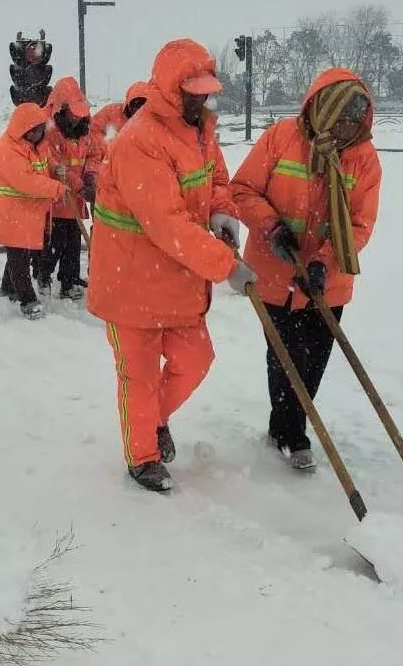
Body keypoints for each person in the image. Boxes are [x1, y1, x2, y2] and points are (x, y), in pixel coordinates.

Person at [87, 38, 257, 492]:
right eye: (193, 92)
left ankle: (153, 420)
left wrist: (222, 211)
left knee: (196, 359)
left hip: (177, 279)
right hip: (130, 283)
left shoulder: (198, 129)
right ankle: (142, 456)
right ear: (168, 90)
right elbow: (169, 226)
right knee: (138, 377)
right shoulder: (139, 143)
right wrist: (227, 266)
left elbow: (215, 178)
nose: (203, 99)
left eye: (206, 91)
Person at [230, 68, 382, 472]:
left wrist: (322, 262)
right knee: (284, 358)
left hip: (328, 282)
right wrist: (272, 227)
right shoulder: (280, 138)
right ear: (320, 111)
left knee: (313, 361)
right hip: (276, 274)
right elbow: (242, 190)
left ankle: (288, 426)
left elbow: (359, 223)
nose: (345, 135)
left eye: (354, 127)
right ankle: (292, 433)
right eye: (339, 125)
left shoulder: (364, 158)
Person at [0, 102, 77, 320]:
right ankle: (27, 300)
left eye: (40, 130)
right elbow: (25, 181)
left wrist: (55, 169)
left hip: (24, 214)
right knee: (19, 257)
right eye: (33, 131)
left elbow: (43, 165)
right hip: (10, 213)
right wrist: (55, 188)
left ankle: (7, 290)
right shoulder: (6, 150)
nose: (38, 134)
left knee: (20, 253)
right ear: (23, 129)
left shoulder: (37, 145)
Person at [36, 76, 101, 301]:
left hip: (77, 198)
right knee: (54, 242)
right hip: (58, 199)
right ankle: (43, 276)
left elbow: (94, 155)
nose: (76, 117)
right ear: (62, 109)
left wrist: (91, 176)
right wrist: (78, 183)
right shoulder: (51, 132)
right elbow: (55, 164)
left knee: (73, 245)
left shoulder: (85, 130)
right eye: (73, 112)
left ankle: (69, 280)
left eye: (79, 112)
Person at [91, 80, 148, 146]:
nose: (139, 108)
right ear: (129, 102)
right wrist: (106, 143)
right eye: (136, 103)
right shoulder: (111, 112)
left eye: (143, 104)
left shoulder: (153, 122)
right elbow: (92, 130)